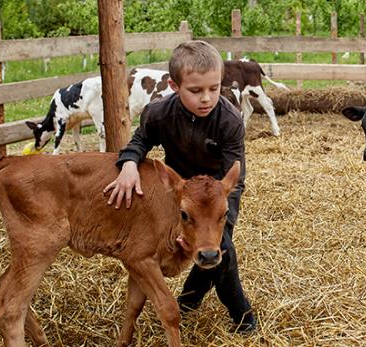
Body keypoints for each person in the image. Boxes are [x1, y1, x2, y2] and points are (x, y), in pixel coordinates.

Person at [103, 40, 257, 333]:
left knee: (220, 248)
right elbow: (139, 141)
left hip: (212, 197)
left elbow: (236, 180)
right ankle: (190, 300)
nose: (206, 99)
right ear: (174, 85)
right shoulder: (158, 113)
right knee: (196, 250)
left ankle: (241, 313)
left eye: (214, 88)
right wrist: (130, 163)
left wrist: (223, 222)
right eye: (195, 91)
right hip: (177, 193)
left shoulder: (229, 120)